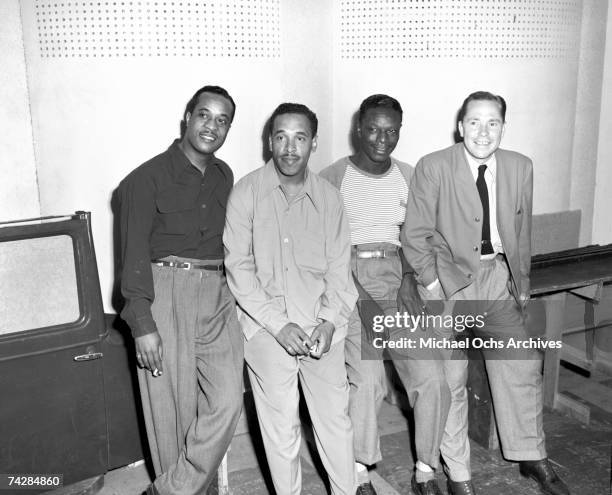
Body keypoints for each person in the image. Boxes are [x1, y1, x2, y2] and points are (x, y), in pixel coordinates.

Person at [400, 91, 570, 495]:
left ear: (503, 128)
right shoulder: (434, 166)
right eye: (474, 122)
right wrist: (432, 285)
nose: (483, 131)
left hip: (497, 281)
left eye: (492, 122)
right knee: (452, 378)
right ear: (460, 126)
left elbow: (522, 229)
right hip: (448, 284)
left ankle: (531, 455)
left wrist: (521, 282)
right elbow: (414, 234)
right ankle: (459, 475)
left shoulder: (519, 166)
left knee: (523, 364)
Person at [224, 103, 358, 495]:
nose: (289, 147)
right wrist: (279, 326)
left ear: (313, 143)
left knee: (335, 422)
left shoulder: (330, 199)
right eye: (281, 136)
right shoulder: (246, 193)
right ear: (270, 141)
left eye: (300, 138)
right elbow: (239, 270)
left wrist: (330, 322)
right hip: (267, 329)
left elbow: (340, 270)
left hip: (321, 326)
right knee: (281, 429)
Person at [321, 94, 450, 495]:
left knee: (432, 378)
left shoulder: (410, 176)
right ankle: (359, 471)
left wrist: (410, 277)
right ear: (358, 129)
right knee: (369, 380)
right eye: (374, 129)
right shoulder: (331, 177)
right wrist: (358, 297)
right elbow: (327, 249)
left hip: (398, 276)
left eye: (390, 130)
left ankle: (426, 470)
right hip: (350, 277)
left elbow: (418, 237)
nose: (382, 138)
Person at [118, 85, 243, 495]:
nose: (212, 125)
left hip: (218, 293)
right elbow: (133, 255)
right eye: (204, 115)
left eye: (222, 120)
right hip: (166, 291)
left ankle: (168, 491)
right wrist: (142, 323)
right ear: (186, 118)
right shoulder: (144, 179)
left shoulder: (226, 176)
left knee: (226, 401)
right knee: (170, 415)